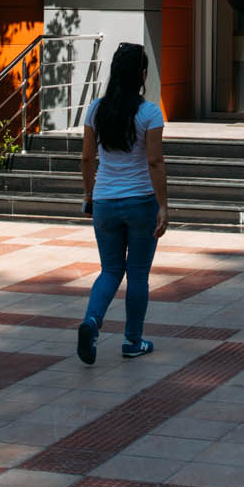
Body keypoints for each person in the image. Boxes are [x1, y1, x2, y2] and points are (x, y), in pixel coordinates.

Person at [76, 42, 169, 364]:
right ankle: (132, 341)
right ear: (142, 75)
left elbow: (87, 157)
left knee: (110, 270)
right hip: (141, 202)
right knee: (138, 274)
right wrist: (163, 205)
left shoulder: (95, 109)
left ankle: (91, 321)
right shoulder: (149, 113)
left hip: (104, 201)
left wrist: (89, 196)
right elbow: (155, 162)